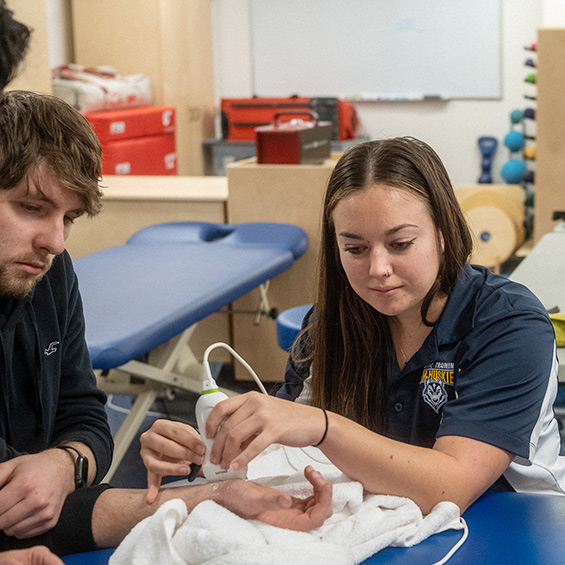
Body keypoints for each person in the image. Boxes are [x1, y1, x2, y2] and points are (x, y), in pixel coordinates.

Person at [142, 136, 565, 517]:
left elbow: (448, 487)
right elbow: (283, 453)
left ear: (442, 231)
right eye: (355, 248)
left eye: (400, 244)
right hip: (383, 521)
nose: (378, 269)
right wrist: (207, 453)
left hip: (512, 526)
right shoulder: (328, 327)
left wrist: (324, 427)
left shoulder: (509, 326)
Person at [0, 89, 332, 556]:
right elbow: (17, 515)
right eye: (31, 208)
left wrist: (62, 465)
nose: (55, 241)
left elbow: (88, 420)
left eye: (69, 217)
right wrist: (206, 499)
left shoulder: (50, 277)